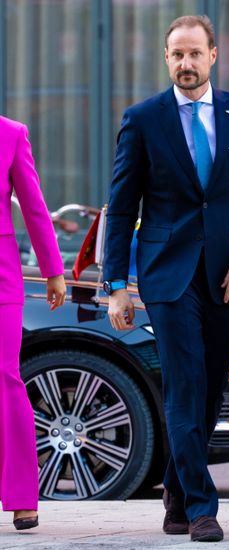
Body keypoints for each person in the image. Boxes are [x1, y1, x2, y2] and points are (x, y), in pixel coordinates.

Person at [103, 15, 229, 542]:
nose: (186, 63)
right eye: (176, 54)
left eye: (195, 54)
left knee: (210, 391)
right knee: (184, 385)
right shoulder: (143, 119)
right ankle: (203, 507)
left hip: (228, 275)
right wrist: (116, 285)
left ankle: (176, 493)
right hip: (167, 276)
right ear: (166, 58)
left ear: (213, 55)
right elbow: (121, 204)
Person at [0, 115, 66, 529]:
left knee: (6, 378)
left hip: (1, 278)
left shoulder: (11, 133)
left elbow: (36, 207)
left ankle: (23, 495)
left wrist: (53, 270)